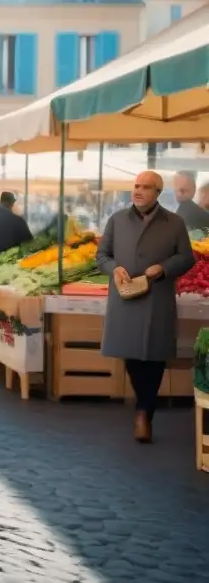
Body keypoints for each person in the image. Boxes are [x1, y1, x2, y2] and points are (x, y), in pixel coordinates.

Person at [97, 171, 194, 443]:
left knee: (154, 357)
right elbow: (101, 255)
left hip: (157, 298)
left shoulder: (174, 223)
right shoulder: (116, 220)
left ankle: (143, 412)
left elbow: (187, 258)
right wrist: (114, 269)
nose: (138, 191)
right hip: (125, 297)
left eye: (146, 187)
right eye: (136, 186)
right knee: (131, 355)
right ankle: (144, 406)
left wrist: (163, 269)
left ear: (158, 193)